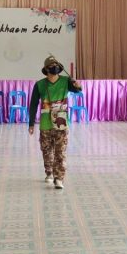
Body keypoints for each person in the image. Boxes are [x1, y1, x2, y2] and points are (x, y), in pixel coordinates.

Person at [28, 55, 81, 189]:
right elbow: (33, 104)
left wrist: (78, 86)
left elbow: (77, 89)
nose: (54, 68)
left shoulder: (66, 81)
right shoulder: (39, 84)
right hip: (45, 124)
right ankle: (49, 173)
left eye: (56, 65)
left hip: (61, 123)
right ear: (46, 69)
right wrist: (31, 123)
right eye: (51, 66)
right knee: (47, 151)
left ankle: (59, 178)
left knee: (60, 152)